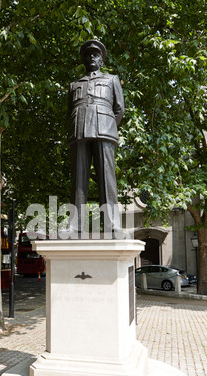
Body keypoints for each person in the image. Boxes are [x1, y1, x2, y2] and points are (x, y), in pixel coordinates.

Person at [67, 39, 125, 236]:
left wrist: (107, 125)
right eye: (88, 55)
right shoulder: (74, 84)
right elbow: (70, 110)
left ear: (102, 60)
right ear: (84, 60)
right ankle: (75, 225)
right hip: (79, 130)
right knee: (78, 180)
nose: (92, 57)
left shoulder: (111, 80)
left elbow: (119, 109)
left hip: (104, 129)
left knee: (107, 178)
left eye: (96, 55)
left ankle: (112, 225)